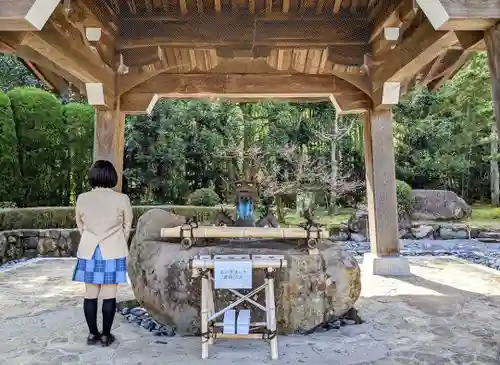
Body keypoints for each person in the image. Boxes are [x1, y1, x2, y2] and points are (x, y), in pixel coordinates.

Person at [72, 160, 133, 347]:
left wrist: (90, 237)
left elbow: (80, 224)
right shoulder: (122, 199)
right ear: (112, 176)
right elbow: (127, 225)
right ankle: (106, 336)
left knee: (90, 294)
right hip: (112, 250)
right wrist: (117, 239)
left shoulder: (82, 198)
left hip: (89, 250)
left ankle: (92, 335)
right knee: (109, 295)